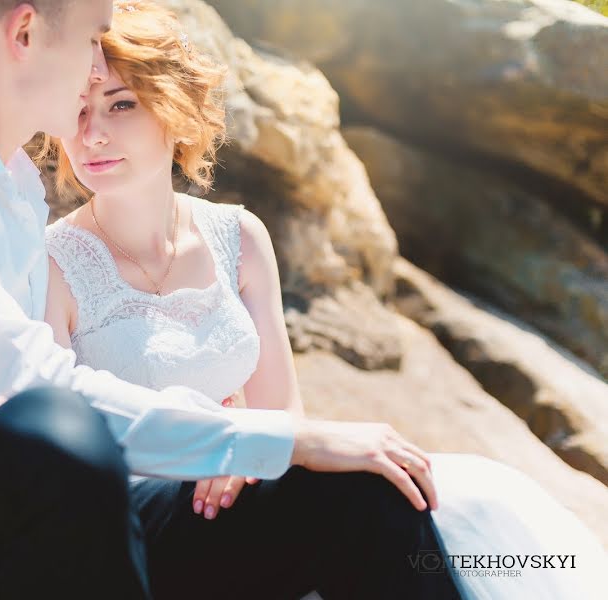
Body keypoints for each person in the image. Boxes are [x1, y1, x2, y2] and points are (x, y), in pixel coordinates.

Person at [0, 0, 464, 598]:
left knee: (359, 488)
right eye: (92, 38)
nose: (93, 72)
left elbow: (10, 385)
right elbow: (31, 383)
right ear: (25, 31)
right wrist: (278, 435)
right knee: (55, 430)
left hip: (49, 497)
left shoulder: (15, 185)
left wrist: (272, 445)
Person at [38, 2, 608, 599]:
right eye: (76, 109)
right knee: (361, 491)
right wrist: (226, 440)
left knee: (423, 486)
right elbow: (57, 442)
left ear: (174, 110)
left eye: (121, 104)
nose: (92, 133)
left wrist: (249, 451)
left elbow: (284, 412)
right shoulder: (51, 261)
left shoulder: (240, 236)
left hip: (238, 491)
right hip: (130, 524)